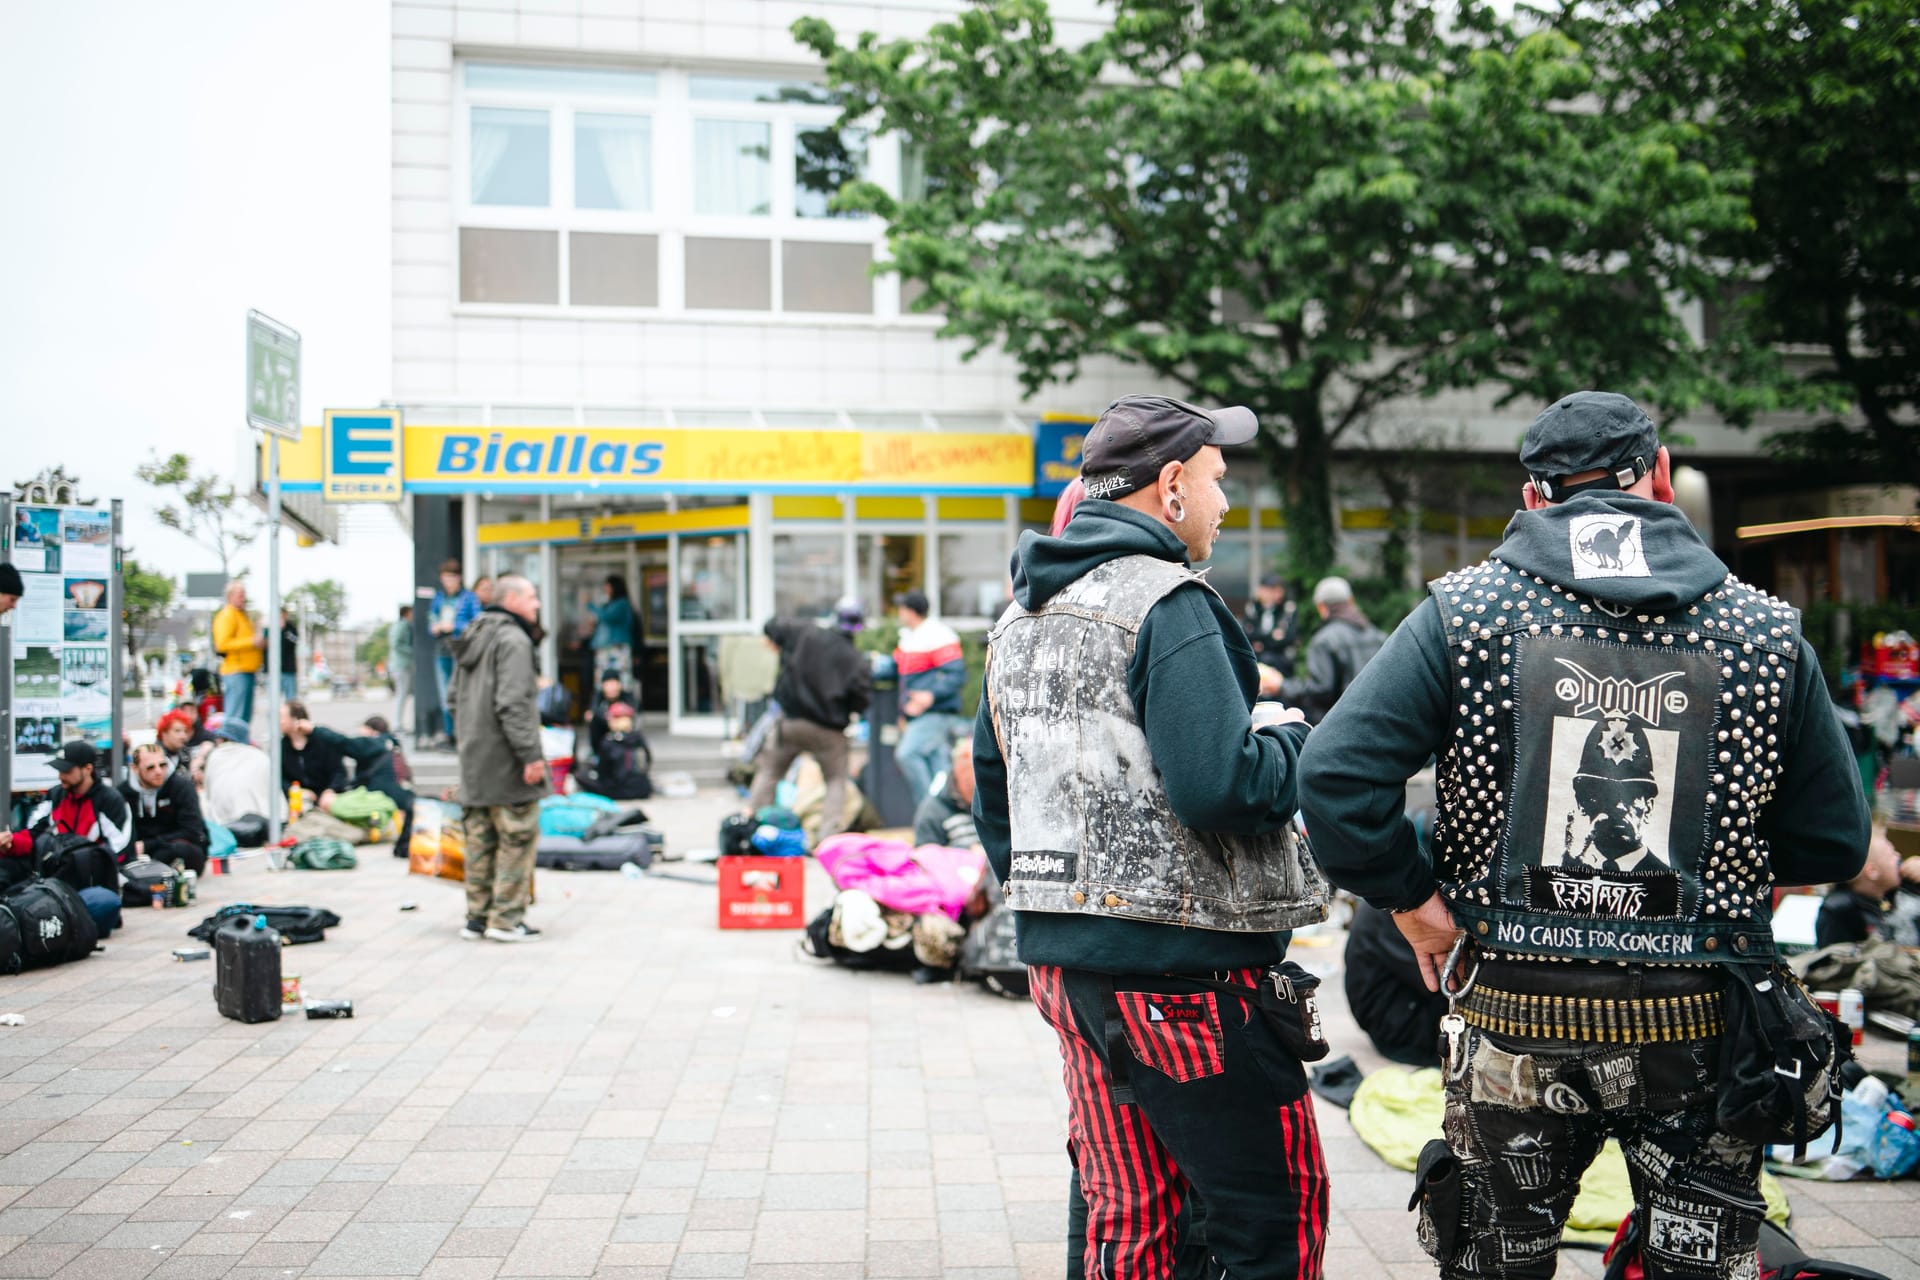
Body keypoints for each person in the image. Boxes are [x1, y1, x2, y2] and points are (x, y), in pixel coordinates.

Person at [1297, 389, 1872, 1280]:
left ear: (1533, 498)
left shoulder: (1469, 614)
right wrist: (1721, 867)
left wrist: (1417, 907)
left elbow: (1333, 773)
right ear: (1665, 479)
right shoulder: (1766, 631)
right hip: (1705, 1024)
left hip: (1515, 1016)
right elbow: (1837, 838)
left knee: (1496, 1266)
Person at [974, 394, 1330, 1280]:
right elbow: (1220, 786)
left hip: (1070, 974)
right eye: (1215, 482)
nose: (1223, 504)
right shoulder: (1170, 602)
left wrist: (1062, 914)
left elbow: (994, 792)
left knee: (1130, 1219)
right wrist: (1288, 741)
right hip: (1191, 983)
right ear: (1169, 488)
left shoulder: (1019, 619)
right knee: (1268, 1218)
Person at [450, 573, 549, 943]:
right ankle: (505, 919)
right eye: (532, 596)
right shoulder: (513, 639)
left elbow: (452, 699)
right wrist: (531, 755)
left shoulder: (474, 634)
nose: (537, 604)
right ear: (512, 601)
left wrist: (469, 740)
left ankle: (477, 918)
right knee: (517, 836)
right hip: (507, 759)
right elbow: (513, 704)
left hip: (475, 756)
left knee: (479, 839)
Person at [745, 613, 872, 844]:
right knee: (835, 781)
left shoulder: (809, 634)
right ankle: (828, 838)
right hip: (829, 729)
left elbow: (777, 624)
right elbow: (863, 697)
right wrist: (847, 710)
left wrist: (772, 639)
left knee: (770, 772)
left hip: (792, 721)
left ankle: (752, 825)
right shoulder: (854, 658)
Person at [891, 590, 967, 806]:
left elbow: (956, 674)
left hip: (935, 712)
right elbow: (898, 671)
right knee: (939, 767)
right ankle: (946, 814)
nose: (899, 612)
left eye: (901, 608)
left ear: (909, 611)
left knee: (907, 754)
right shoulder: (911, 636)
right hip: (922, 714)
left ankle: (930, 811)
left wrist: (930, 696)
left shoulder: (938, 634)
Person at [2, 741, 133, 867]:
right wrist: (10, 842)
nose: (61, 776)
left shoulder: (111, 800)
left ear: (88, 769)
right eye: (59, 770)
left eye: (67, 771)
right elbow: (34, 835)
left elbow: (119, 850)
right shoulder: (55, 795)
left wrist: (77, 863)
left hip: (93, 875)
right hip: (55, 872)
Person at [1285, 576, 1383, 724]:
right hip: (1378, 725)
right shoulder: (1378, 636)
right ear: (1351, 601)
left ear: (1321, 607)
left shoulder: (1324, 640)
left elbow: (1320, 690)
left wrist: (1283, 685)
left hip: (1341, 728)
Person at [121, 743, 211, 874]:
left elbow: (192, 831)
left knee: (176, 850)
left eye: (163, 765)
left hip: (174, 847)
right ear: (135, 769)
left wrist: (147, 845)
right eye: (150, 767)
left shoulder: (181, 787)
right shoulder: (124, 792)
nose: (158, 771)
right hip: (138, 852)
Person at [1815, 824, 1900, 948]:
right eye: (1891, 854)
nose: (1898, 857)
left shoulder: (1885, 898)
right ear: (1872, 871)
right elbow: (1834, 962)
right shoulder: (1841, 910)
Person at [429, 561, 482, 744]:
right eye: (445, 578)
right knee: (445, 694)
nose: (448, 582)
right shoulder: (439, 598)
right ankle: (449, 734)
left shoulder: (469, 598)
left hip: (461, 650)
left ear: (459, 577)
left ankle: (463, 733)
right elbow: (432, 619)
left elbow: (477, 623)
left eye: (452, 577)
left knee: (461, 692)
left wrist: (455, 626)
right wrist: (435, 627)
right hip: (442, 649)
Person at [195, 722, 280, 826]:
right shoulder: (261, 757)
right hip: (263, 823)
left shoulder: (215, 757)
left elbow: (207, 793)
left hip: (224, 824)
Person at [211, 580, 266, 732]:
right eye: (240, 595)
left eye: (244, 595)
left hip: (247, 670)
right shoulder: (227, 615)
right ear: (230, 596)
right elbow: (222, 644)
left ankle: (240, 745)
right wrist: (251, 642)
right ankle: (231, 746)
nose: (244, 598)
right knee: (235, 716)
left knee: (244, 717)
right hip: (236, 670)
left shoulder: (242, 616)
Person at [279, 700, 350, 813]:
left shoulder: (322, 741)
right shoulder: (281, 747)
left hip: (328, 800)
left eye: (281, 717)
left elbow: (338, 772)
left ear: (295, 720)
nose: (279, 721)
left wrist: (331, 790)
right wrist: (295, 790)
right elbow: (279, 778)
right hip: (298, 802)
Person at [912, 736, 979, 851]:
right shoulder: (932, 812)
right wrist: (968, 856)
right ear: (960, 766)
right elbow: (924, 859)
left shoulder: (997, 802)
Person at [576, 702, 652, 800]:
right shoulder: (639, 738)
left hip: (617, 790)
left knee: (581, 775)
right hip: (643, 789)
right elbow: (648, 761)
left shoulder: (609, 742)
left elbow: (602, 771)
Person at [1242, 572, 1300, 673]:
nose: (1278, 595)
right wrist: (1271, 636)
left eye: (1280, 591)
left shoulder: (1287, 608)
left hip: (1280, 659)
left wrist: (1262, 643)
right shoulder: (1253, 608)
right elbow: (1247, 634)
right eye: (1274, 591)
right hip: (1256, 657)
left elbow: (1290, 636)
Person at [589, 574, 635, 681]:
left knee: (620, 678)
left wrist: (590, 605)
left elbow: (607, 616)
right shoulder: (610, 603)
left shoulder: (621, 604)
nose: (605, 589)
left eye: (608, 586)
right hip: (606, 648)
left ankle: (622, 698)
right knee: (604, 679)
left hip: (617, 648)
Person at [586, 668, 633, 761]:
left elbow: (633, 711)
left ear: (619, 685)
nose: (612, 688)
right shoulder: (598, 697)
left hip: (623, 733)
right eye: (608, 684)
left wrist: (617, 714)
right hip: (604, 730)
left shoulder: (626, 696)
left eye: (614, 683)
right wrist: (608, 717)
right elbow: (594, 711)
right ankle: (597, 754)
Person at [389, 605, 414, 734]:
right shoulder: (403, 625)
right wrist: (413, 652)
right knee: (402, 694)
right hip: (402, 665)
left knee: (402, 694)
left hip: (398, 665)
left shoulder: (399, 625)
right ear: (407, 613)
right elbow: (396, 644)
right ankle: (397, 724)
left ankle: (398, 723)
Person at [154, 709, 198, 776]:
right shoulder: (154, 756)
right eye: (177, 731)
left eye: (185, 731)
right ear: (164, 734)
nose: (183, 736)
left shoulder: (186, 754)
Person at [277, 608, 300, 702]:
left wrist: (284, 630)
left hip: (288, 669)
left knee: (291, 698)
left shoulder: (291, 628)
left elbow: (295, 640)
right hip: (274, 670)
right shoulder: (270, 629)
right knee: (273, 699)